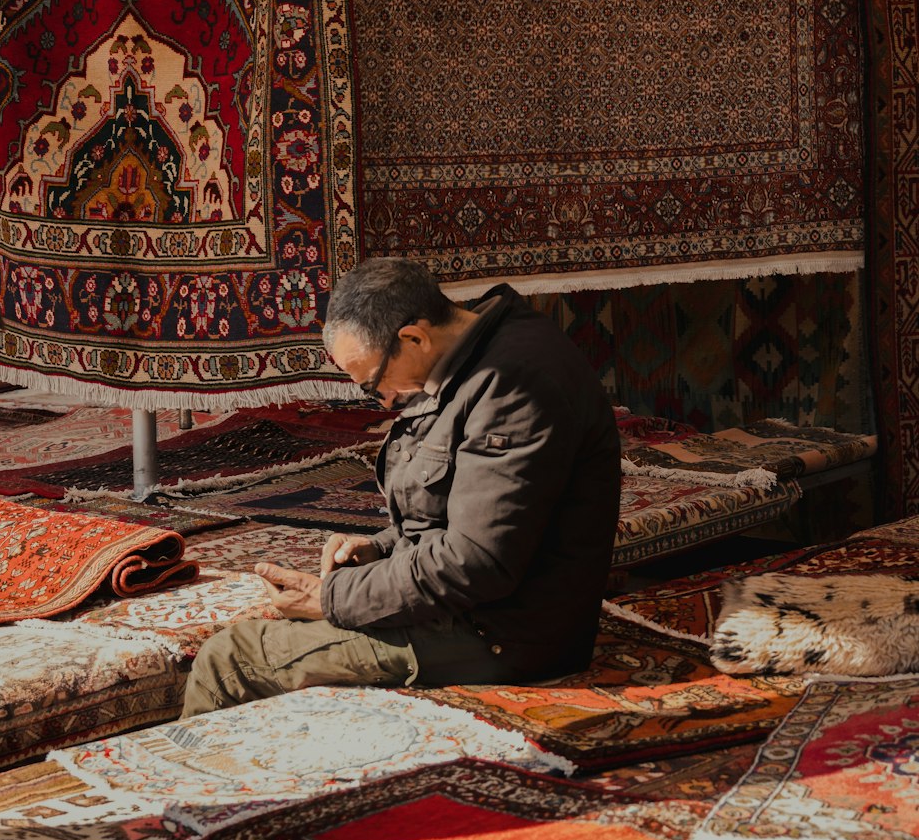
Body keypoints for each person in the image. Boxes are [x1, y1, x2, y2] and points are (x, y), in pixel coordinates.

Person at [181, 257, 621, 715]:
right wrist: (382, 548)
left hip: (501, 633)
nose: (384, 399)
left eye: (374, 384)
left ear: (414, 337)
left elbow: (477, 562)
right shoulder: (479, 356)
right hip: (477, 609)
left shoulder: (512, 386)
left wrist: (330, 599)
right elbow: (470, 513)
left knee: (230, 660)